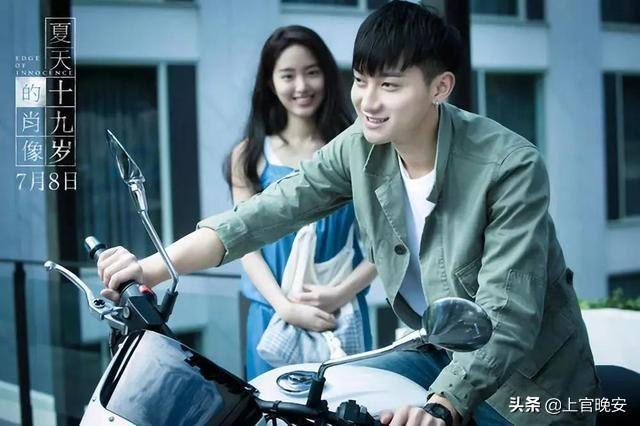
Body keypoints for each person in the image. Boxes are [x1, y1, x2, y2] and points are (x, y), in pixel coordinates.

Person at [97, 2, 601, 425]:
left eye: (390, 85)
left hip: (524, 387)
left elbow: (506, 312)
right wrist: (152, 267)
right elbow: (264, 213)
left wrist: (442, 406)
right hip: (435, 353)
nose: (368, 101)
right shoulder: (361, 145)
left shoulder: (510, 166)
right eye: (361, 80)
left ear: (440, 88)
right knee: (308, 399)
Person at [223, 25, 376, 379]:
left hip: (340, 314)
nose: (302, 86)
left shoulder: (356, 148)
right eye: (288, 75)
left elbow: (390, 242)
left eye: (312, 72)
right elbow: (245, 245)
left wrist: (339, 294)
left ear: (327, 75)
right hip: (272, 316)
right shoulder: (249, 155)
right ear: (270, 82)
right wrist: (285, 307)